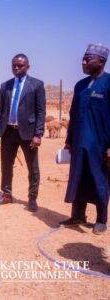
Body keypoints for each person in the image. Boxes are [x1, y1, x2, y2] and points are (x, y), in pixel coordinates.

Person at [60, 43, 110, 235]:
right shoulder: (80, 85)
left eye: (88, 59)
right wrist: (69, 140)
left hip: (100, 144)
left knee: (99, 179)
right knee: (77, 178)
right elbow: (74, 114)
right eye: (83, 58)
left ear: (102, 61)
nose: (84, 62)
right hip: (79, 142)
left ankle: (101, 219)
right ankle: (78, 215)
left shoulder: (108, 83)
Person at [0, 53, 46, 212]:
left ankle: (32, 198)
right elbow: (0, 110)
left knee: (32, 168)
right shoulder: (5, 86)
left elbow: (41, 111)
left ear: (28, 66)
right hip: (7, 132)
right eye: (14, 65)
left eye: (20, 65)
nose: (16, 68)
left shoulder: (36, 85)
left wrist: (38, 134)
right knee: (6, 165)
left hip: (28, 133)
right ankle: (7, 194)